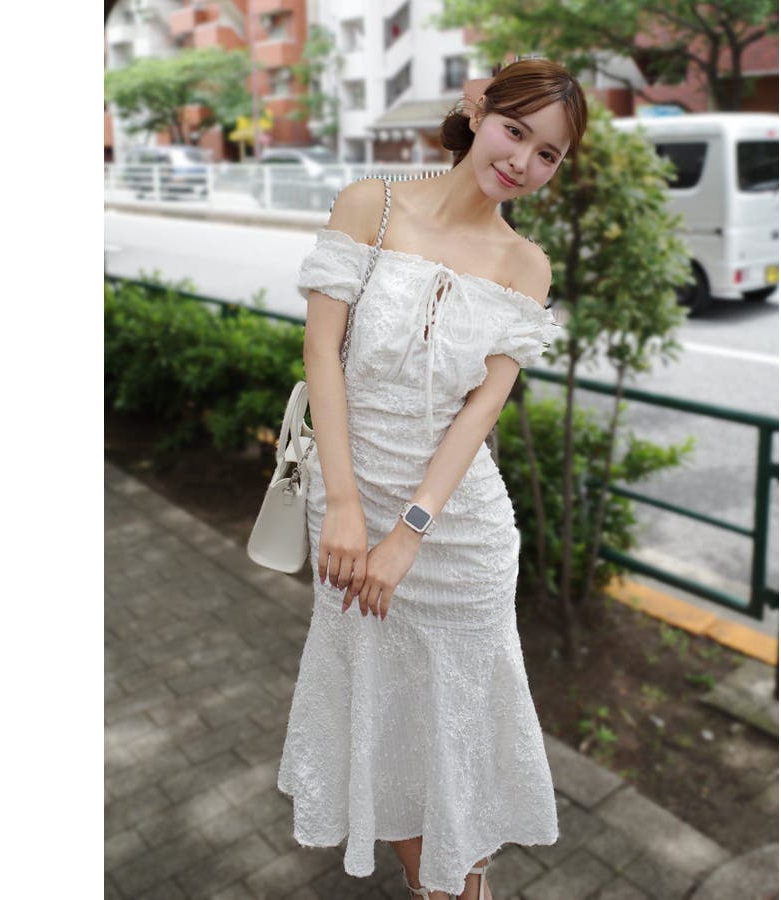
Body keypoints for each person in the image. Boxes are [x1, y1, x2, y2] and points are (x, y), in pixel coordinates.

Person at [276, 58, 589, 900]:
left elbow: (478, 415)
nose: (523, 161)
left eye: (548, 154)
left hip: (457, 534)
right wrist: (345, 505)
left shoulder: (527, 266)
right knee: (385, 719)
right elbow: (322, 356)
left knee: (458, 739)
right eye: (515, 131)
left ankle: (455, 886)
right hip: (349, 505)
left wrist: (409, 534)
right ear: (478, 111)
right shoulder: (370, 205)